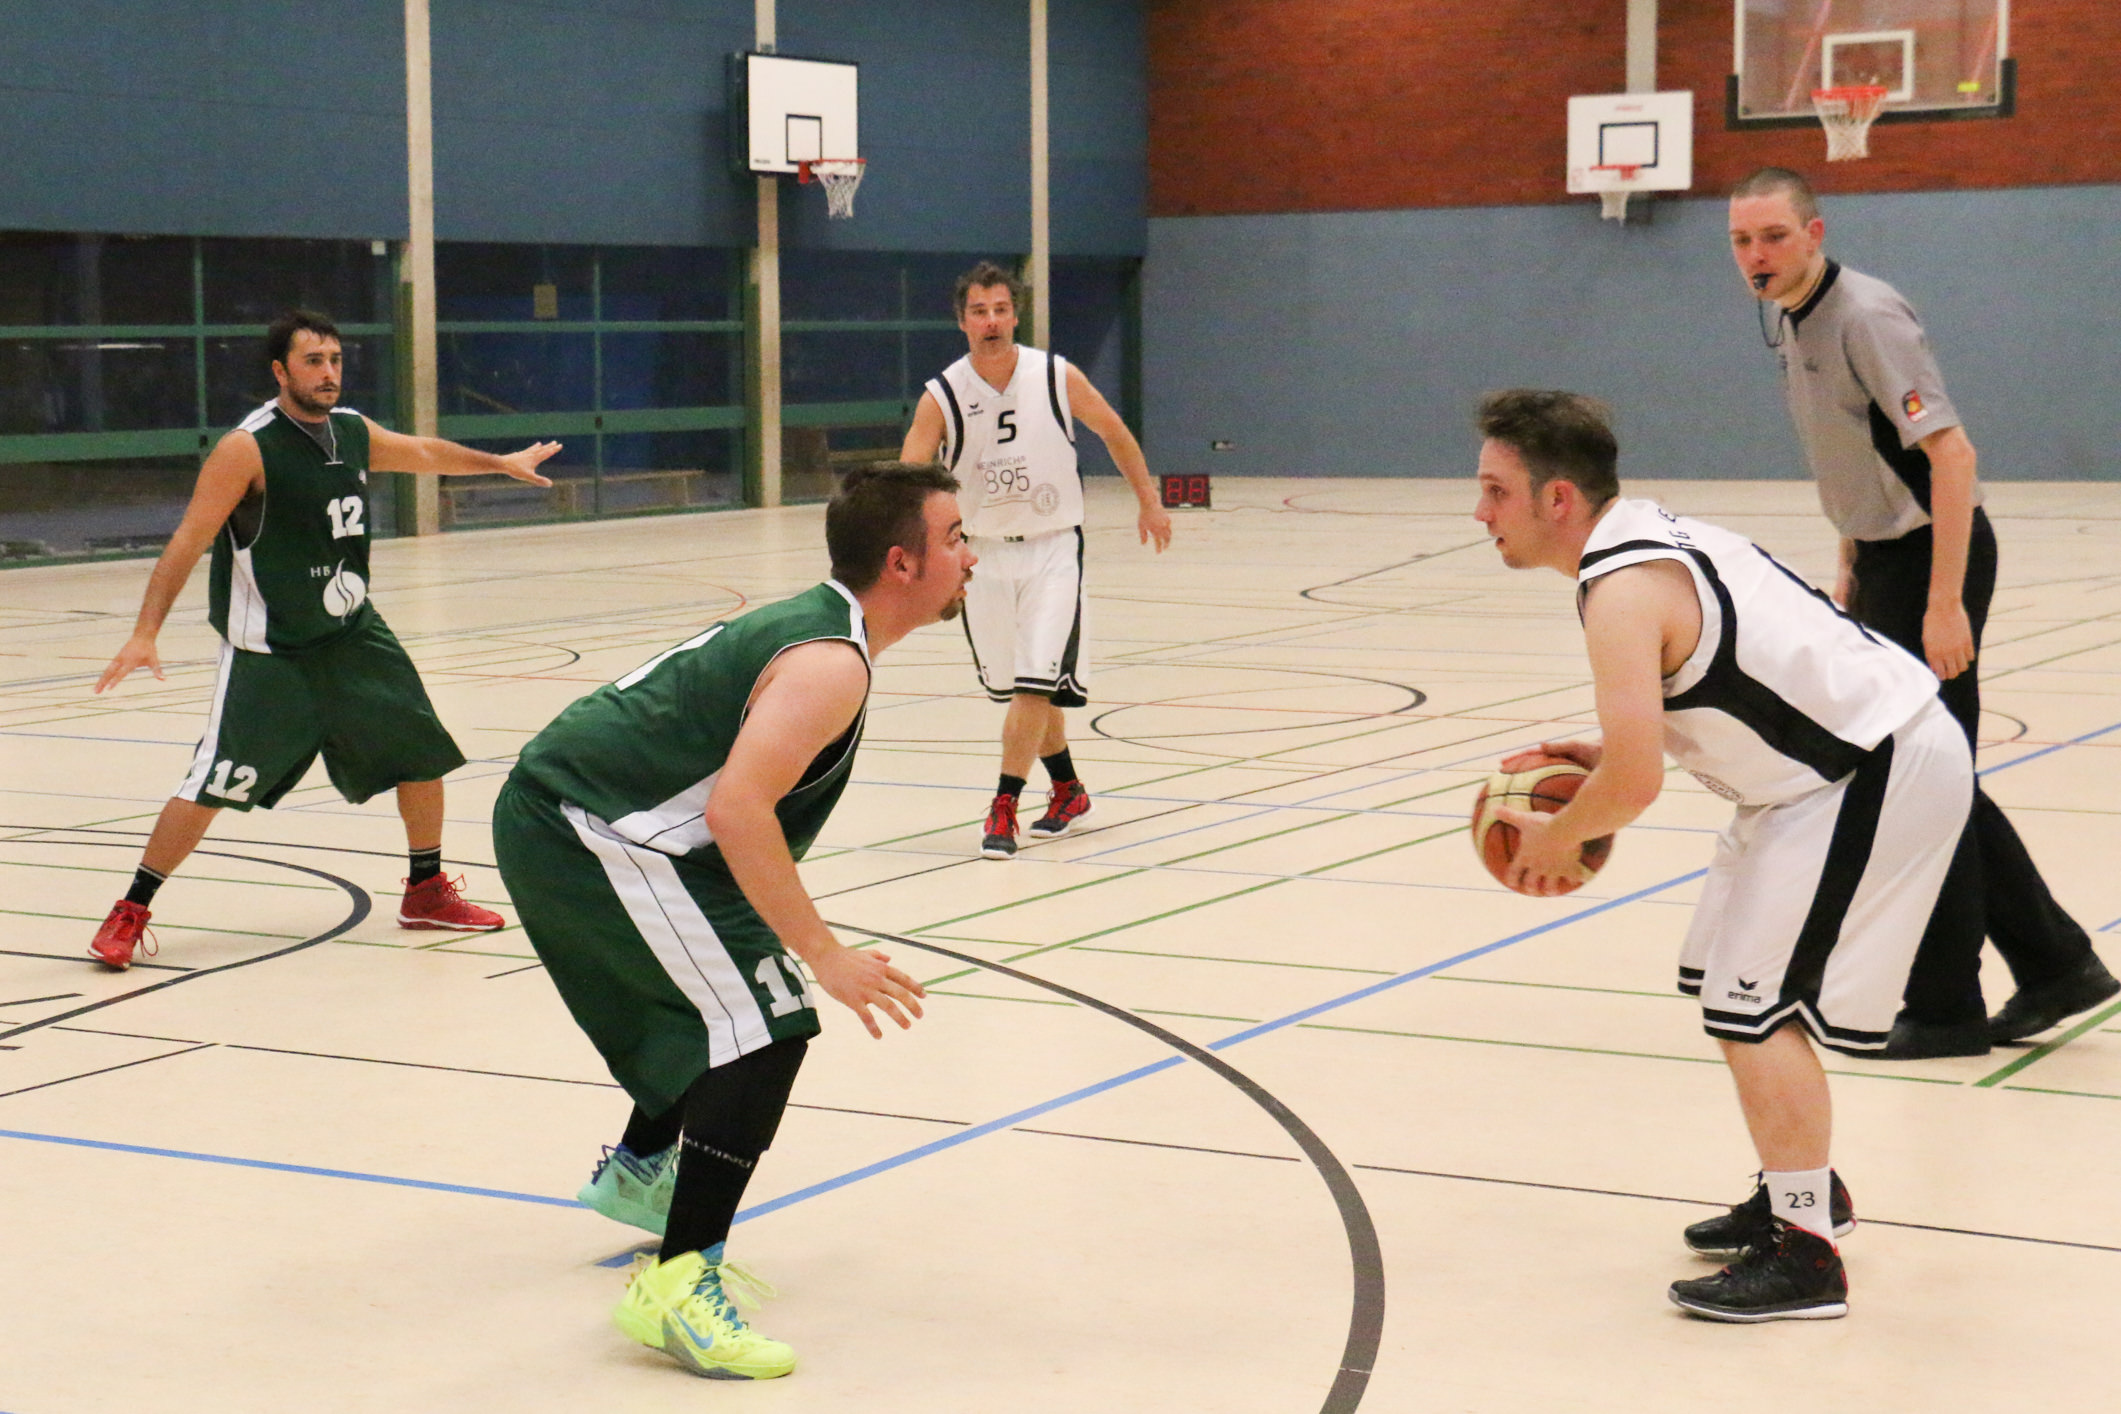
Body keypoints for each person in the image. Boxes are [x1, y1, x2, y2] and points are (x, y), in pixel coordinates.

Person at [1473, 390, 1972, 1321]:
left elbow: (1631, 787)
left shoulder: (1620, 592)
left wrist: (1556, 836)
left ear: (1557, 499)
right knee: (1725, 989)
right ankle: (1801, 1189)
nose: (1479, 512)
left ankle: (1807, 1257)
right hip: (1810, 776)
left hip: (1870, 765)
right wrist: (1610, 749)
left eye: (1496, 490)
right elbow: (1717, 679)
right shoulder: (1644, 534)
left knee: (1753, 1008)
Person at [492, 463, 965, 1380]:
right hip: (587, 827)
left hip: (610, 822)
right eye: (955, 539)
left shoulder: (828, 633)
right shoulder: (830, 663)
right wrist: (822, 954)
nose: (970, 556)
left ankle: (640, 1170)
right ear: (901, 563)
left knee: (727, 1001)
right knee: (765, 1023)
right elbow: (738, 809)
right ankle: (678, 1286)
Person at [1728, 168, 2117, 1056]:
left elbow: (1950, 456)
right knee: (1928, 778)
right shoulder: (1789, 318)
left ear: (1814, 233)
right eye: (1741, 241)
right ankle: (2053, 964)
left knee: (1916, 781)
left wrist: (1944, 604)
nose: (1756, 255)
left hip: (1933, 559)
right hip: (1884, 563)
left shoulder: (1865, 315)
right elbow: (1854, 449)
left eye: (1773, 236)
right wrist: (1850, 560)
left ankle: (1946, 1008)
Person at [85, 309, 559, 967]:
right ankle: (131, 909)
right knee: (213, 783)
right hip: (270, 651)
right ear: (281, 371)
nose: (328, 372)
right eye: (313, 361)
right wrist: (145, 632)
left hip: (352, 635)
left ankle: (425, 889)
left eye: (335, 360)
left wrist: (501, 464)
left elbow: (423, 452)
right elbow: (188, 541)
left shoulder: (351, 431)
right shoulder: (247, 448)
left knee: (421, 752)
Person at [900, 261, 1172, 859]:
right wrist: (911, 550)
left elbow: (1114, 431)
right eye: (979, 311)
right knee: (1021, 688)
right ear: (962, 321)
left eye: (1001, 309)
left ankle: (1004, 805)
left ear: (1015, 315)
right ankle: (1069, 790)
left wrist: (1149, 501)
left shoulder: (1054, 375)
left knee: (1034, 683)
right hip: (982, 557)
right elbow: (909, 477)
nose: (991, 321)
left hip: (1052, 549)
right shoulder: (942, 394)